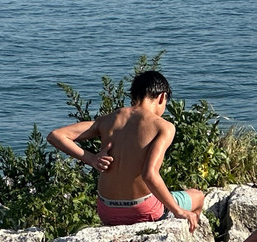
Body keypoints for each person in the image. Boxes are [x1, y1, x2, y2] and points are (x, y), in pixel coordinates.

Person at [47, 69, 204, 229]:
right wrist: (177, 211)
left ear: (133, 96)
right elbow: (149, 175)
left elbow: (56, 135)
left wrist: (92, 159)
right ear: (161, 97)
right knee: (198, 197)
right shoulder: (163, 127)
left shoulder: (107, 120)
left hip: (107, 211)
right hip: (143, 210)